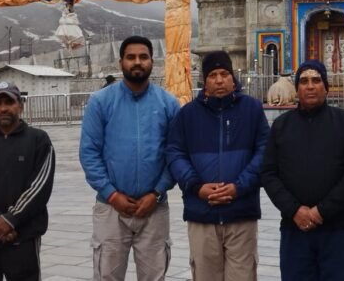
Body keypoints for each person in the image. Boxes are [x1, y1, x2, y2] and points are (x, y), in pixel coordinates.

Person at [80, 35, 180, 281]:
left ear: (152, 62)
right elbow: (89, 152)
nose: (137, 62)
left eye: (143, 57)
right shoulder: (101, 102)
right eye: (131, 57)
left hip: (154, 208)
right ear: (121, 62)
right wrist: (112, 194)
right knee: (107, 276)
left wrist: (156, 192)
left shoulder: (168, 104)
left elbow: (176, 154)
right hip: (111, 208)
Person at [166, 51, 270, 280]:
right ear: (205, 81)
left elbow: (264, 152)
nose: (219, 80)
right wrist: (196, 186)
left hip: (240, 212)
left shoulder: (252, 110)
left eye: (224, 74)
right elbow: (175, 153)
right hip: (202, 213)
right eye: (213, 75)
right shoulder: (188, 115)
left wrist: (239, 187)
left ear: (233, 78)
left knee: (242, 276)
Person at [261, 59, 344, 281]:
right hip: (294, 228)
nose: (310, 86)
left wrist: (322, 211)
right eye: (304, 81)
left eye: (316, 80)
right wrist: (294, 210)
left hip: (339, 229)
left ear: (325, 87)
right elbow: (269, 173)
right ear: (296, 89)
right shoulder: (281, 126)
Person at [0, 81, 55, 280]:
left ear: (20, 105)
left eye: (9, 102)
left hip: (22, 236)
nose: (3, 108)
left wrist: (11, 220)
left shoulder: (39, 140)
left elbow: (40, 187)